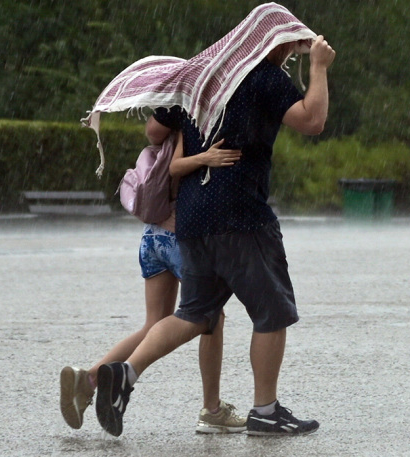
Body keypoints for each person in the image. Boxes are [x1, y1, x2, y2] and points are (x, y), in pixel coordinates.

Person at [93, 8, 335, 437]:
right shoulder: (263, 76)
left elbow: (154, 131)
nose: (289, 54)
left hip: (191, 217)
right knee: (272, 311)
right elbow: (312, 121)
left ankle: (124, 376)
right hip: (242, 215)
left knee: (194, 314)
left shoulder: (197, 76)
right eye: (288, 45)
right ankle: (265, 411)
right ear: (268, 41)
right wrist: (318, 68)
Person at [59, 133, 247, 434]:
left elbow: (156, 141)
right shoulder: (194, 122)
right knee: (212, 315)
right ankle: (212, 410)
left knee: (154, 324)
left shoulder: (165, 126)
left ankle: (90, 379)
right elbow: (179, 170)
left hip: (151, 236)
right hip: (179, 238)